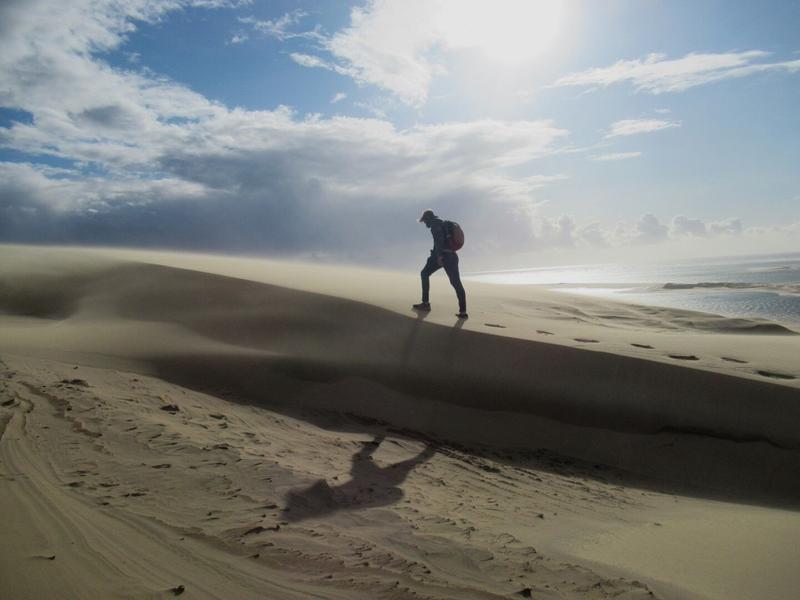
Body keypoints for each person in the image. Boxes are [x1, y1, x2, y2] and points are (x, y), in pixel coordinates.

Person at [413, 209, 468, 319]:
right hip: (452, 256)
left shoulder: (435, 224)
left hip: (443, 256)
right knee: (456, 283)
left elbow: (439, 240)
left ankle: (425, 304)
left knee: (424, 274)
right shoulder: (442, 222)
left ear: (428, 218)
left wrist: (439, 256)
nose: (425, 224)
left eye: (424, 221)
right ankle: (463, 312)